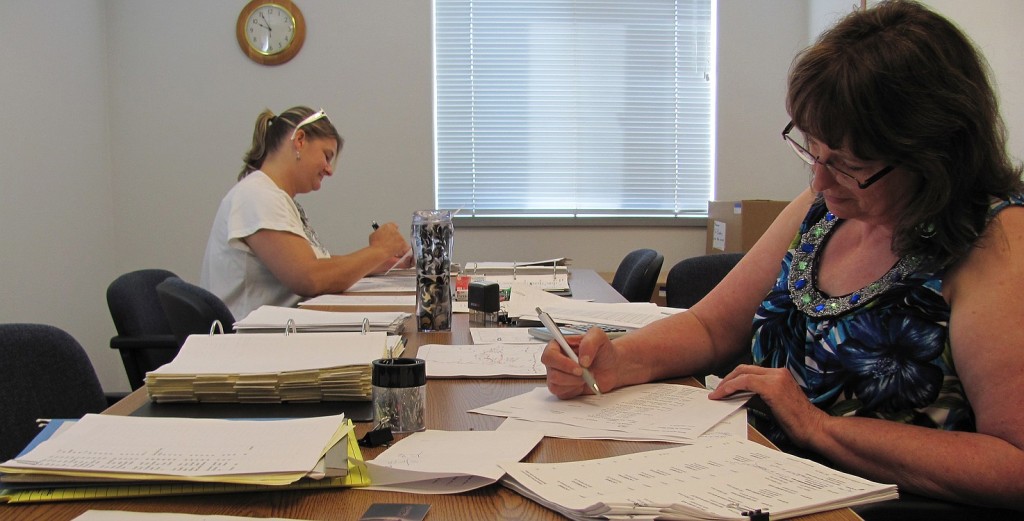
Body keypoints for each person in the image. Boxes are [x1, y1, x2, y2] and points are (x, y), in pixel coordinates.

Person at [542, 1, 1023, 512]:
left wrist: (818, 426)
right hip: (748, 470)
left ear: (933, 156)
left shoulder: (995, 246)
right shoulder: (824, 210)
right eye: (813, 150)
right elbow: (710, 326)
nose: (818, 181)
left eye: (848, 164)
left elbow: (1013, 464)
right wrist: (619, 360)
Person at [201, 106, 412, 318]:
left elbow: (317, 264)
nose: (330, 170)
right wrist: (379, 250)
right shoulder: (258, 196)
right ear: (300, 140)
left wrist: (376, 263)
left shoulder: (270, 195)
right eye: (327, 156)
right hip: (255, 342)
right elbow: (310, 278)